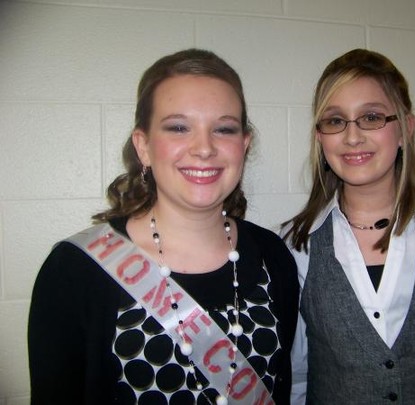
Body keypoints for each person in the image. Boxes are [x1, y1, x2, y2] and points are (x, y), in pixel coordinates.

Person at [28, 48, 299, 405]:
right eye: (178, 127)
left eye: (224, 129)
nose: (204, 148)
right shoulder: (75, 270)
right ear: (143, 146)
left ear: (243, 146)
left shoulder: (272, 257)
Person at [282, 49, 415, 405]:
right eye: (335, 120)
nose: (352, 137)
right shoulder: (296, 244)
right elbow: (297, 371)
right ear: (320, 137)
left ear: (405, 129)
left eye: (371, 117)